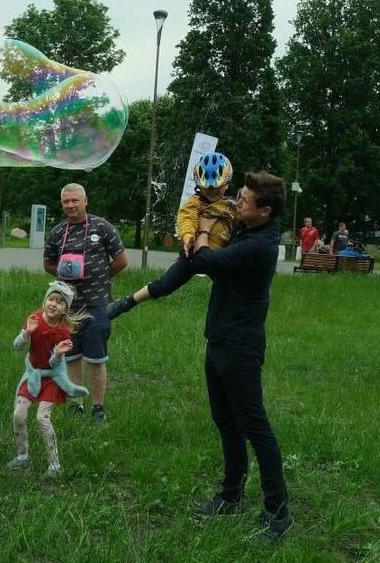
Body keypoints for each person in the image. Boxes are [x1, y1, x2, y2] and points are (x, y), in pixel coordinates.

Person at [106, 171, 293, 543]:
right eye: (237, 195)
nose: (236, 203)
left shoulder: (262, 245)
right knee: (226, 421)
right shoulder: (243, 229)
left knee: (256, 428)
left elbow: (207, 262)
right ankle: (231, 495)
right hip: (220, 340)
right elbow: (191, 263)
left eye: (244, 201)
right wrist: (132, 301)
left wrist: (203, 227)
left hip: (241, 347)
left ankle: (278, 512)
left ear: (265, 211)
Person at [42, 183, 128, 423]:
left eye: (75, 200)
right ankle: (76, 403)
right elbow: (48, 263)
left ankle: (98, 407)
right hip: (67, 306)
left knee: (96, 358)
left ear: (85, 201)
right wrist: (64, 279)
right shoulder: (58, 232)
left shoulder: (102, 227)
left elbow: (121, 260)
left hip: (97, 303)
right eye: (66, 202)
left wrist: (101, 277)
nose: (70, 205)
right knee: (71, 355)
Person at [7, 281, 89, 479]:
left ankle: (54, 465)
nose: (54, 304)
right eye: (51, 299)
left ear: (65, 310)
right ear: (45, 301)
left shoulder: (63, 331)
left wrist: (59, 354)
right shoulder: (34, 318)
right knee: (19, 415)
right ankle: (22, 455)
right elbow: (16, 346)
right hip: (33, 374)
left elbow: (52, 364)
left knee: (42, 418)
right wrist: (27, 332)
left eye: (60, 302)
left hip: (52, 378)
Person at [175, 153, 238, 256]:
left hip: (221, 256)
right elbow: (187, 217)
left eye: (217, 187)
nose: (212, 191)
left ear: (226, 184)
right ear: (199, 186)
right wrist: (187, 235)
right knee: (174, 272)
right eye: (207, 188)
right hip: (195, 255)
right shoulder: (195, 202)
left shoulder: (230, 207)